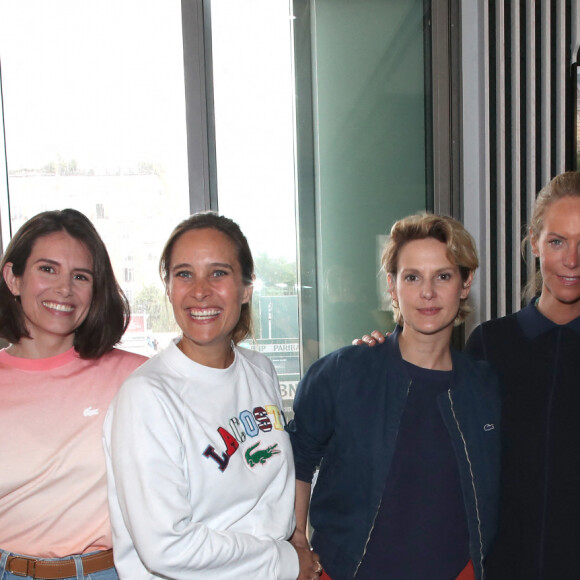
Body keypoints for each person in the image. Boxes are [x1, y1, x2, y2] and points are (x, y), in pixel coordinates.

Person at [103, 212, 321, 580]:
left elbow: (271, 492)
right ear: (169, 288)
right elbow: (166, 547)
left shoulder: (260, 370)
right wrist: (282, 562)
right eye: (184, 274)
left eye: (218, 273)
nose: (200, 290)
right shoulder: (147, 397)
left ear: (247, 288)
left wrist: (296, 540)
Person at [288, 213, 501, 580]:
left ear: (465, 284)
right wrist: (296, 544)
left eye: (444, 276)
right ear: (392, 285)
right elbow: (298, 460)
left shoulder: (485, 388)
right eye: (413, 277)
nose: (428, 292)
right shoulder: (342, 374)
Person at [0, 209, 146, 580]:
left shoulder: (136, 376)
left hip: (109, 572)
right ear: (13, 278)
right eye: (47, 269)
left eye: (80, 276)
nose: (64, 289)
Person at [464, 171, 580, 579]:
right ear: (534, 242)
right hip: (504, 567)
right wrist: (378, 351)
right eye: (557, 241)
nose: (572, 260)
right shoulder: (490, 345)